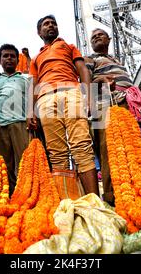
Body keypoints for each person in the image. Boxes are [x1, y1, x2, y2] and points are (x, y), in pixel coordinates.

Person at [28, 14, 99, 196]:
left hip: (71, 92)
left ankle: (93, 200)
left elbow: (82, 70)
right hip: (45, 99)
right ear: (39, 32)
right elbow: (33, 85)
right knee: (56, 152)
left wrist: (89, 97)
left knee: (81, 144)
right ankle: (68, 200)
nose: (50, 26)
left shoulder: (69, 46)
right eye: (46, 24)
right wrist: (30, 111)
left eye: (53, 23)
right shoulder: (35, 58)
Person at [83, 28, 141, 205]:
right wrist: (101, 81)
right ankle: (113, 195)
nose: (96, 37)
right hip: (104, 103)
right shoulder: (90, 59)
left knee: (131, 147)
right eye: (93, 36)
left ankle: (137, 188)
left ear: (109, 39)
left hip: (125, 104)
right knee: (108, 148)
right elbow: (85, 83)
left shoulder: (116, 60)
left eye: (100, 34)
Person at [0, 44, 30, 196]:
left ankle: (24, 196)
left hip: (21, 123)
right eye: (5, 56)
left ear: (18, 60)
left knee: (25, 163)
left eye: (12, 56)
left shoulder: (25, 78)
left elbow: (32, 100)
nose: (9, 58)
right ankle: (5, 197)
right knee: (1, 165)